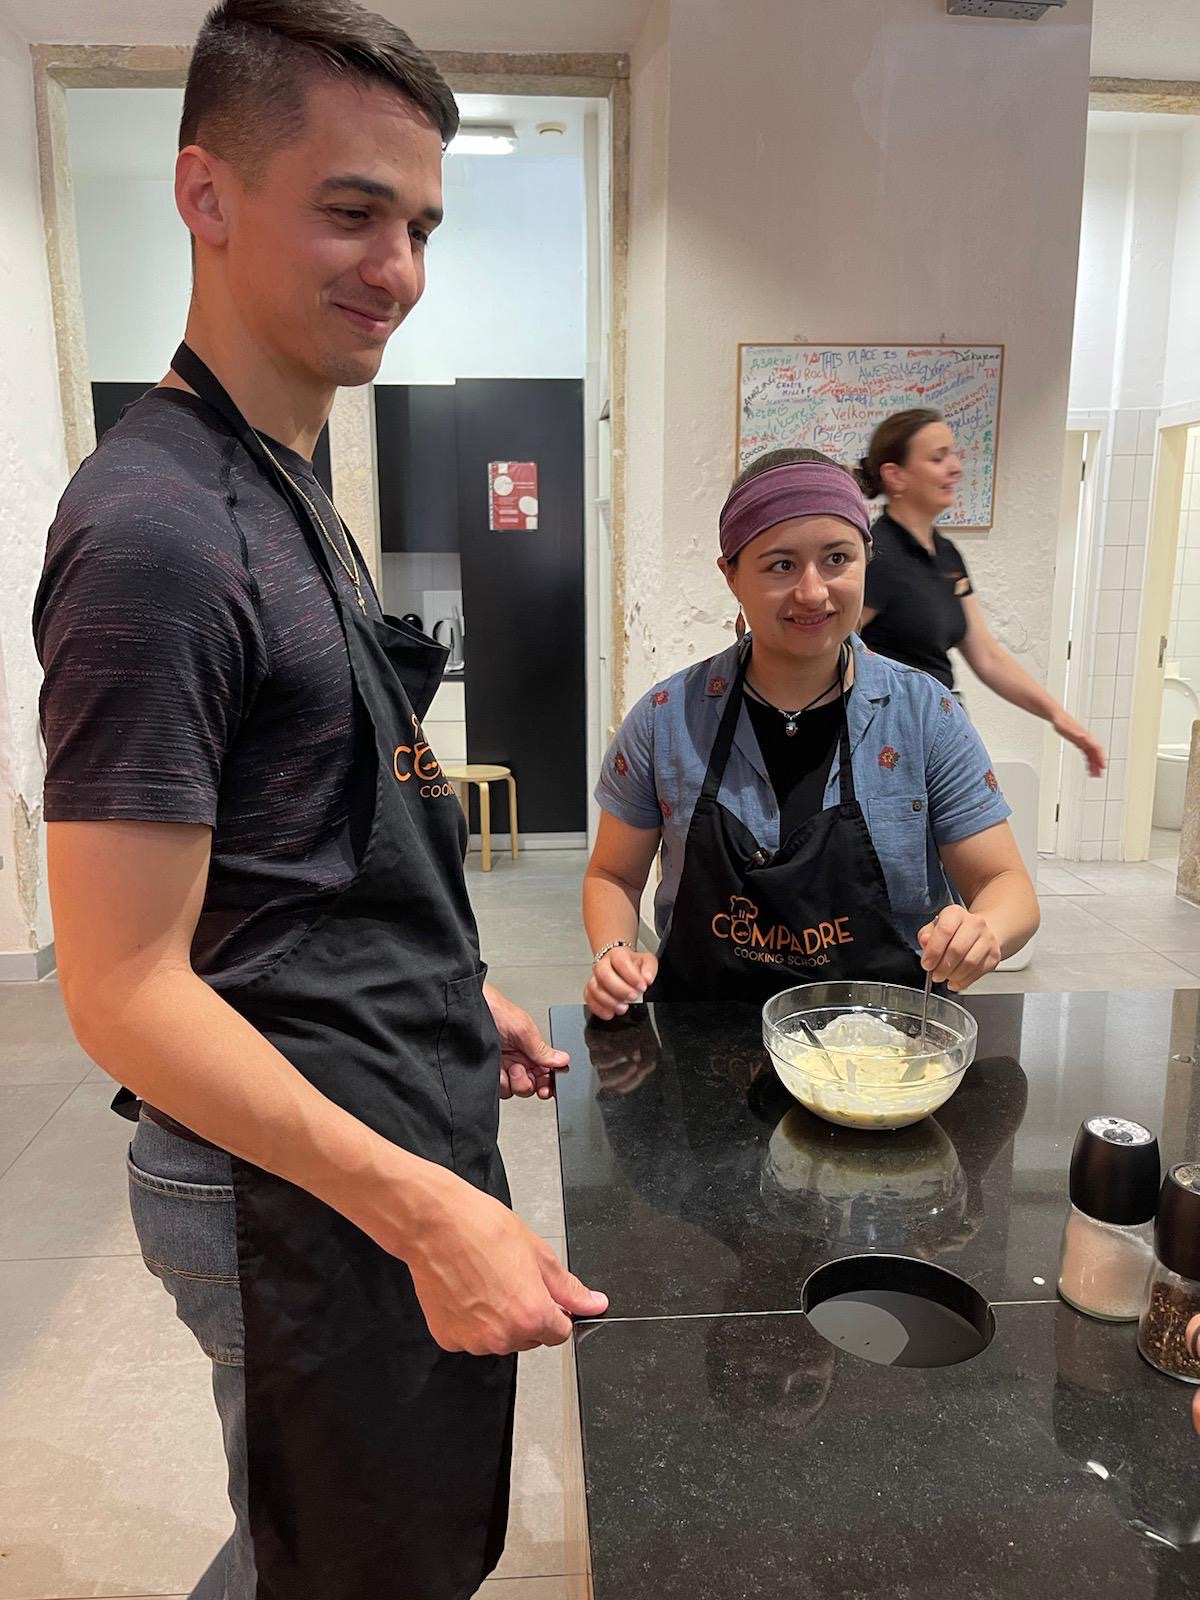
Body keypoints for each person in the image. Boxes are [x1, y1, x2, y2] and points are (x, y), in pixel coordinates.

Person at [33, 4, 605, 1597]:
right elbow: (122, 989)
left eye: (418, 224)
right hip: (284, 1182)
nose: (399, 268)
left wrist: (447, 979)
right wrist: (424, 1212)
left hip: (377, 1084)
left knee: (356, 1541)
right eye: (351, 211)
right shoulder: (156, 533)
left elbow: (302, 826)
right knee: (347, 1560)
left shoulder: (290, 476)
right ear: (205, 194)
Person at [582, 447, 1039, 1018]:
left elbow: (1006, 883)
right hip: (702, 1042)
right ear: (731, 575)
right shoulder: (667, 718)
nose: (813, 593)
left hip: (884, 1050)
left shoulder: (924, 714)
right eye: (780, 565)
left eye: (836, 559)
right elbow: (613, 874)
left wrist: (984, 928)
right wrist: (615, 950)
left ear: (866, 561)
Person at [858, 408, 1105, 776]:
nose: (955, 468)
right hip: (890, 745)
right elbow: (837, 649)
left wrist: (1057, 716)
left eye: (953, 455)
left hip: (943, 728)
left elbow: (986, 655)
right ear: (896, 476)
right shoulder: (876, 555)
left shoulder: (945, 555)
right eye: (938, 458)